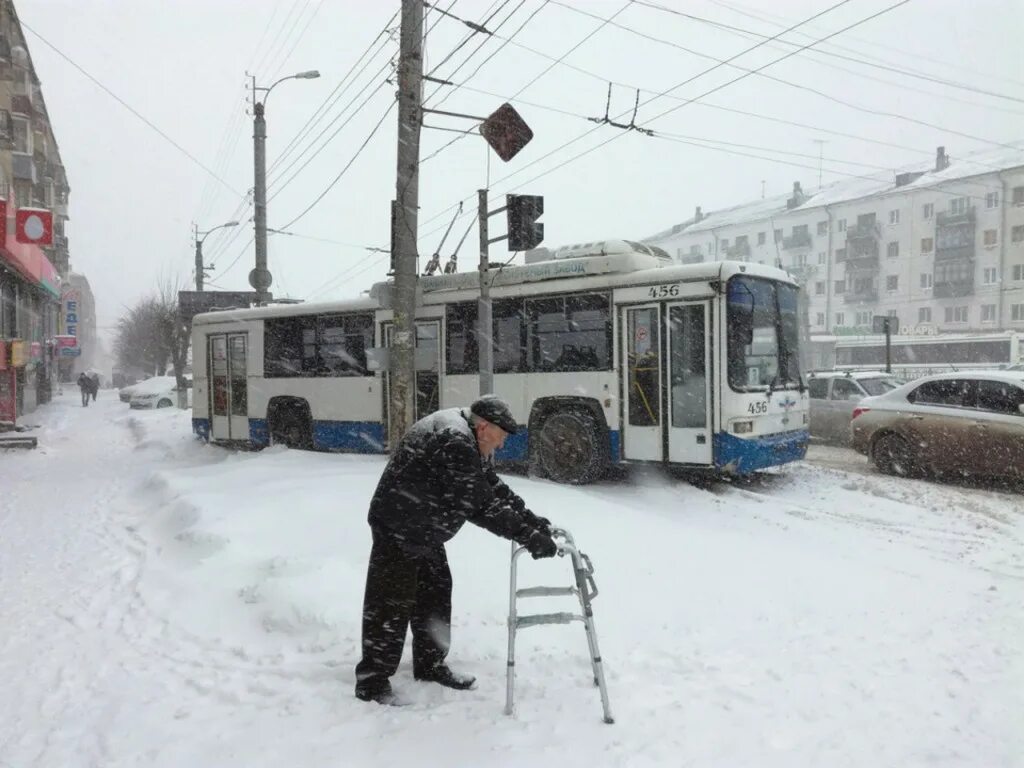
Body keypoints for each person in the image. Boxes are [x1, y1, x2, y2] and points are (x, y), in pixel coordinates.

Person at [355, 395, 558, 706]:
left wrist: (529, 519)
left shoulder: (466, 434)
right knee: (391, 602)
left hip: (423, 527)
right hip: (399, 525)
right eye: (500, 438)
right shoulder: (455, 440)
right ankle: (372, 682)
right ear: (484, 428)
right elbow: (479, 504)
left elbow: (490, 484)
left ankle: (430, 664)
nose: (501, 446)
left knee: (434, 593)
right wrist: (527, 536)